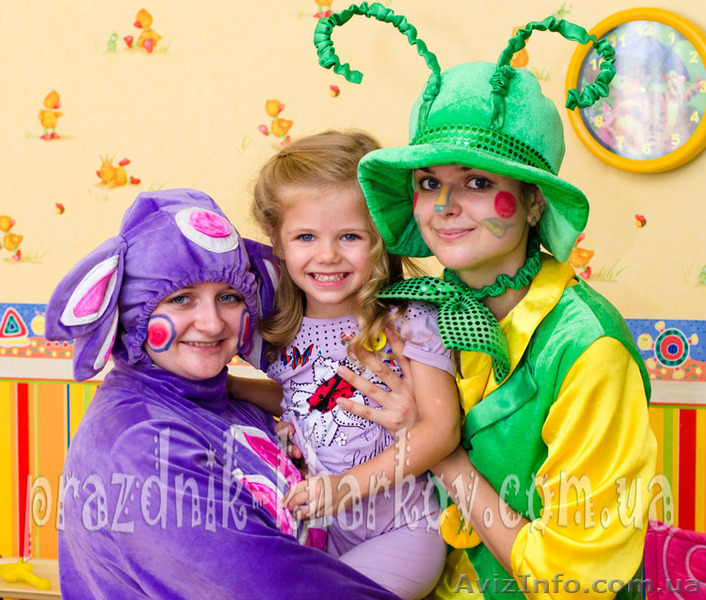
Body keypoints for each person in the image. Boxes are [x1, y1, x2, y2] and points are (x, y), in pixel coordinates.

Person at [314, 6, 658, 599]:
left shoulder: (587, 347)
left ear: (532, 202)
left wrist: (439, 450)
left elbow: (572, 581)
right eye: (429, 182)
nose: (445, 205)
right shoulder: (418, 313)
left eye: (478, 182)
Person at [44, 188, 402, 599]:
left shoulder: (224, 401)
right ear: (134, 312)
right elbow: (273, 586)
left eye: (228, 297)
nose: (212, 324)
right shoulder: (142, 441)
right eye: (181, 299)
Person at [244, 130, 460, 599]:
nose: (327, 255)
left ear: (379, 237)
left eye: (349, 236)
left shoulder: (410, 320)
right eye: (306, 236)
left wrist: (345, 487)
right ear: (277, 241)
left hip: (403, 530)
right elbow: (302, 397)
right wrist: (228, 387)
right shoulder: (281, 328)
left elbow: (441, 430)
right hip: (321, 532)